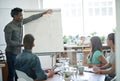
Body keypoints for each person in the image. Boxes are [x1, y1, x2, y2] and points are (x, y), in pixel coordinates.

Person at [4, 7, 52, 81]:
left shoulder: (21, 22)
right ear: (14, 16)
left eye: (22, 15)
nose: (22, 17)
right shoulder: (9, 27)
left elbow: (31, 18)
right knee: (12, 73)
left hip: (18, 53)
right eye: (20, 15)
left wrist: (43, 13)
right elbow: (9, 42)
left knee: (19, 74)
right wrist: (21, 44)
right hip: (11, 53)